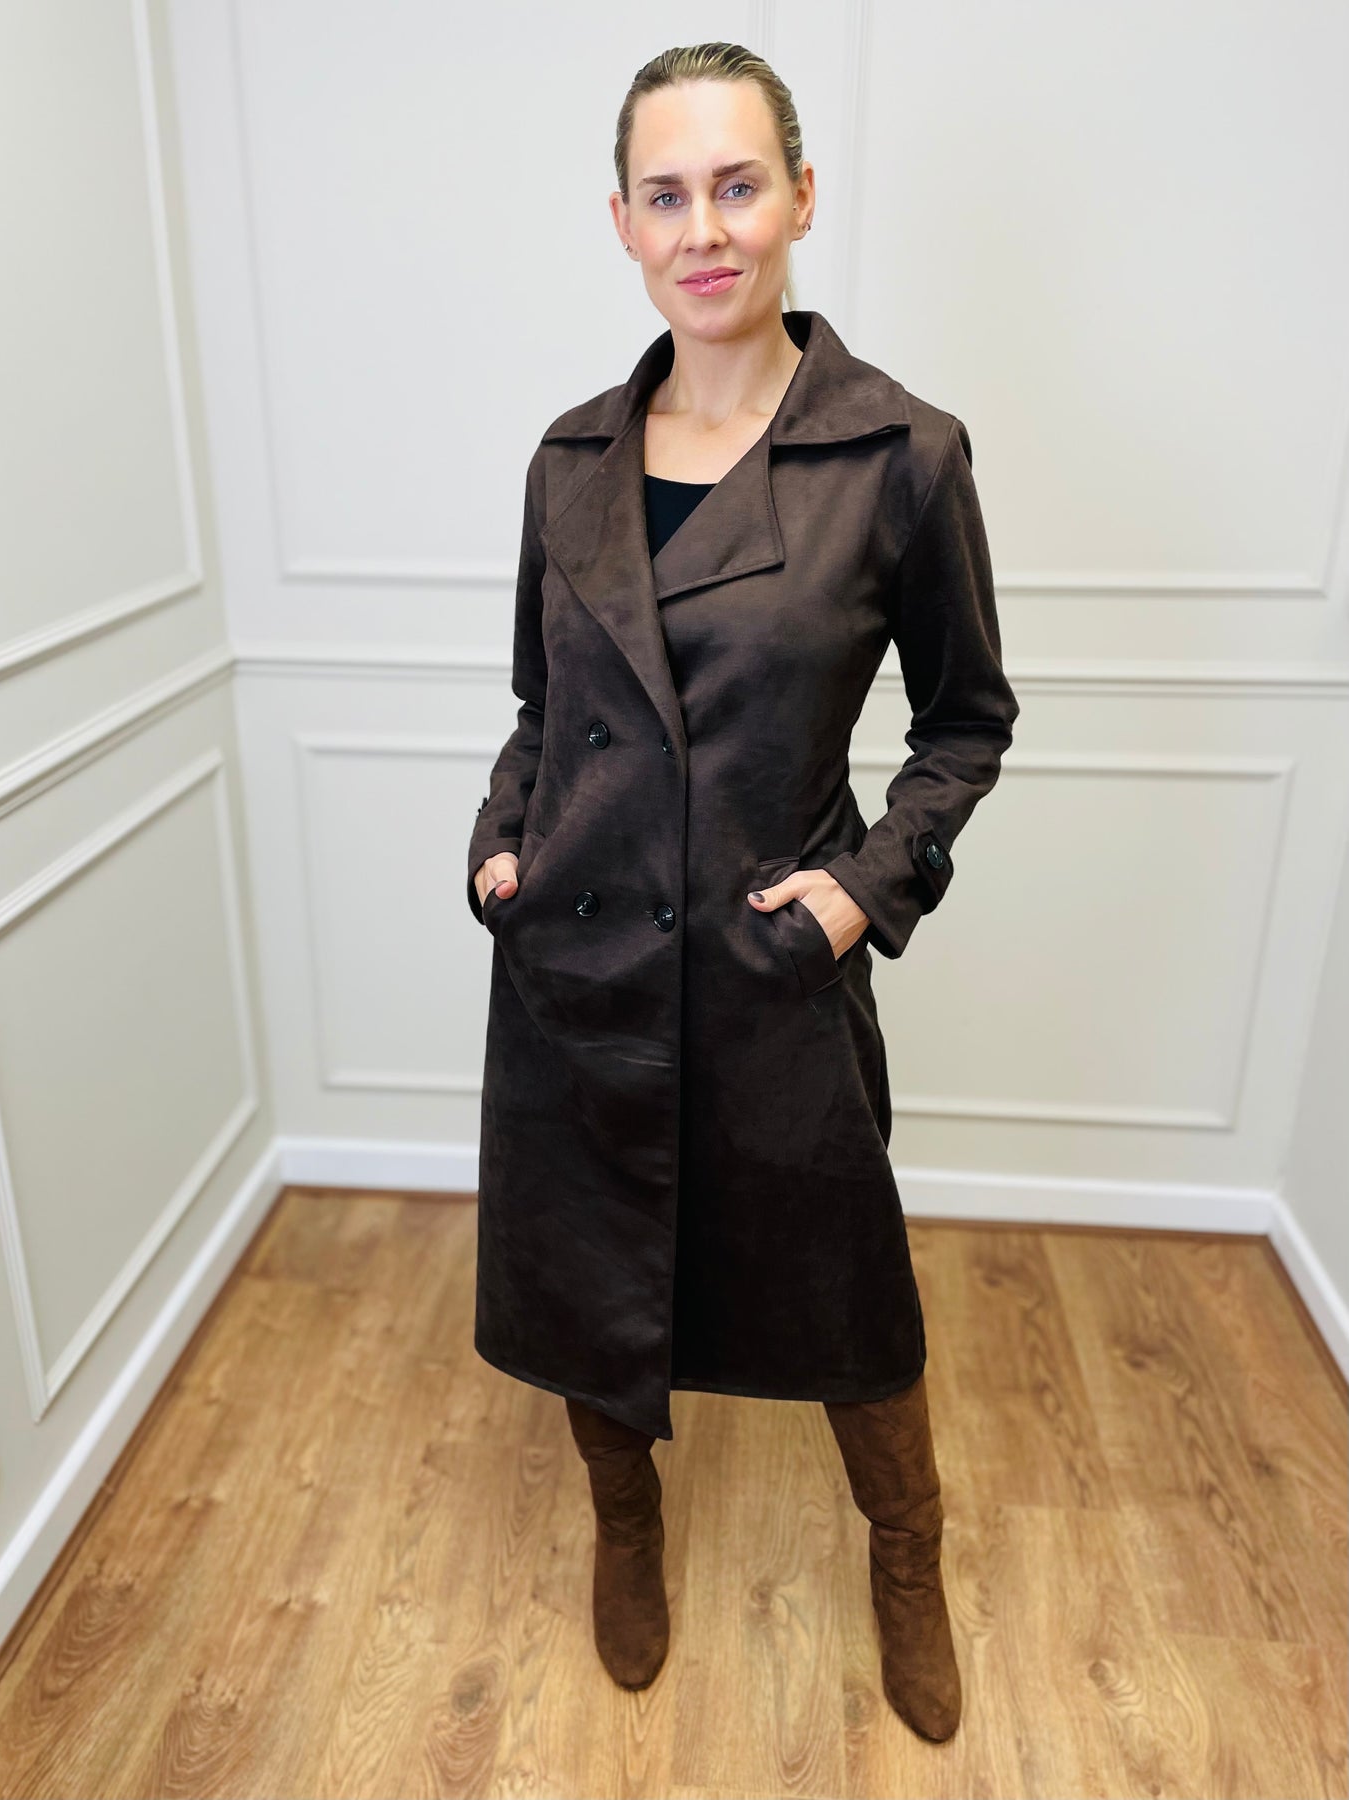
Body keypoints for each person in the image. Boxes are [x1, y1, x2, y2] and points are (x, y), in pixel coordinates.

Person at [468, 41, 1019, 1743]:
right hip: (574, 972)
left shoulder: (898, 454)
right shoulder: (569, 457)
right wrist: (499, 840)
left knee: (846, 1295)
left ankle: (906, 1555)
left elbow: (965, 725)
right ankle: (624, 1528)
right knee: (588, 1278)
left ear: (797, 195)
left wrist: (860, 893)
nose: (701, 229)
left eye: (734, 185)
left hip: (768, 961)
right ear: (621, 222)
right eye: (665, 195)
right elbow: (541, 710)